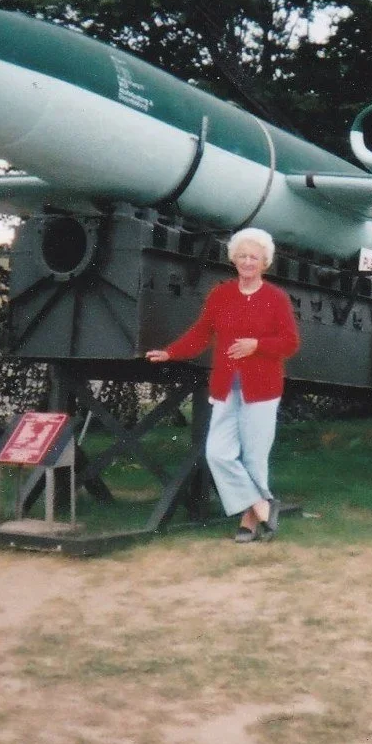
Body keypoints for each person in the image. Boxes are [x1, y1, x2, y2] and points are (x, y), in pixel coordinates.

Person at [146, 227, 300, 542]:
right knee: (218, 453)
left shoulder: (276, 298)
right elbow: (202, 332)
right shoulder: (221, 294)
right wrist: (171, 352)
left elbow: (289, 342)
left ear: (264, 263)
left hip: (262, 389)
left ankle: (249, 522)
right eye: (241, 256)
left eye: (253, 257)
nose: (247, 261)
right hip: (226, 387)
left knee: (253, 457)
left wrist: (257, 345)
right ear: (233, 259)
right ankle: (261, 504)